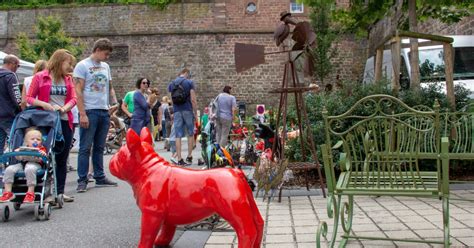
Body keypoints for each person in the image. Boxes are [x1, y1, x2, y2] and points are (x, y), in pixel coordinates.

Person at [27, 49, 77, 202]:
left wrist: (65, 108)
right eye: (68, 63)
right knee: (46, 156)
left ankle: (60, 192)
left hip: (63, 120)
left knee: (62, 158)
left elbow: (73, 98)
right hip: (45, 121)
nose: (70, 67)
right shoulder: (40, 77)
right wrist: (45, 105)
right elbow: (29, 98)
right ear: (59, 61)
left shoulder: (68, 80)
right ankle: (46, 191)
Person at [74, 38, 118, 193]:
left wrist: (114, 101)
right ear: (98, 50)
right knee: (85, 147)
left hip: (103, 110)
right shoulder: (82, 65)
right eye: (105, 54)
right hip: (90, 110)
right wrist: (82, 113)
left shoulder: (105, 66)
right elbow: (78, 90)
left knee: (100, 146)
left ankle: (99, 176)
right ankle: (82, 179)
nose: (107, 57)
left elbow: (109, 86)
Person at [0, 128, 47, 203]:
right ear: (26, 141)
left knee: (29, 169)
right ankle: (8, 192)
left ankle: (30, 192)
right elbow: (18, 158)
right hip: (22, 164)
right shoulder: (23, 148)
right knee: (9, 169)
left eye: (38, 139)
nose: (35, 141)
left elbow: (44, 158)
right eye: (32, 139)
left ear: (41, 142)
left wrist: (42, 154)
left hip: (35, 164)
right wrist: (18, 153)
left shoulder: (41, 149)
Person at [168, 68, 197, 166]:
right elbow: (193, 99)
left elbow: (171, 100)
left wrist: (174, 111)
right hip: (188, 110)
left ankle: (179, 158)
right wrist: (195, 113)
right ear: (186, 73)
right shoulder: (189, 82)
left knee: (178, 135)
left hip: (177, 111)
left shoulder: (172, 84)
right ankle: (189, 157)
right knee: (190, 133)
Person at [0, 54, 22, 156]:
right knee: (15, 144)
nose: (17, 68)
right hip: (9, 116)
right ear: (12, 64)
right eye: (18, 66)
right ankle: (12, 167)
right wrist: (21, 109)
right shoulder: (10, 76)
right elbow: (16, 97)